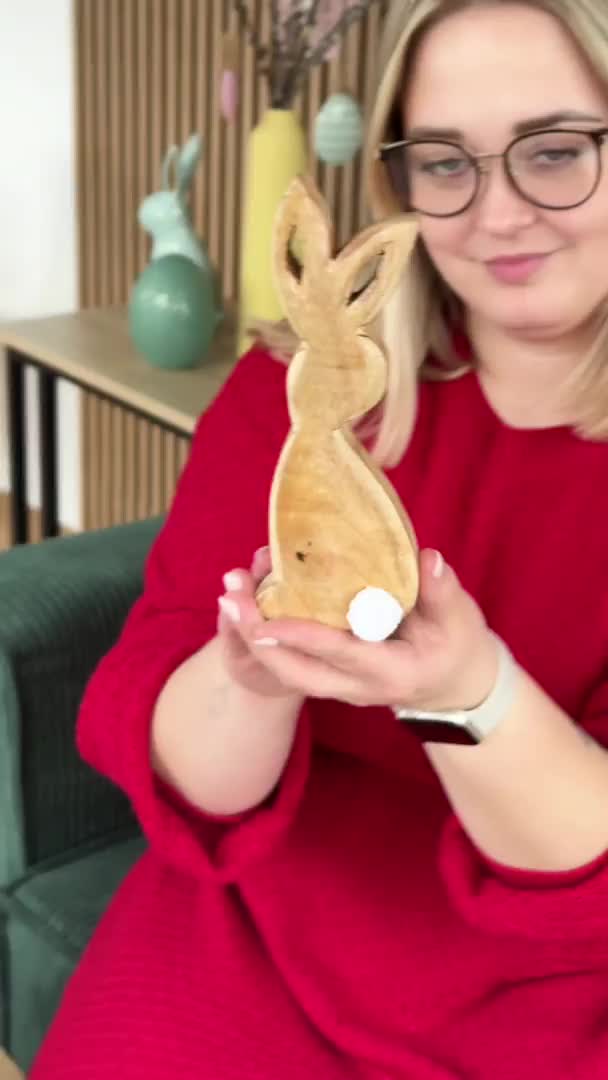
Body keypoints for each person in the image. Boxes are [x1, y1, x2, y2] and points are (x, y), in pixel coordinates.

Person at [30, 2, 608, 1077]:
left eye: (555, 151)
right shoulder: (294, 398)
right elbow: (180, 753)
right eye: (446, 163)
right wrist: (249, 679)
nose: (497, 214)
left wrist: (466, 692)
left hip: (542, 997)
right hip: (245, 942)